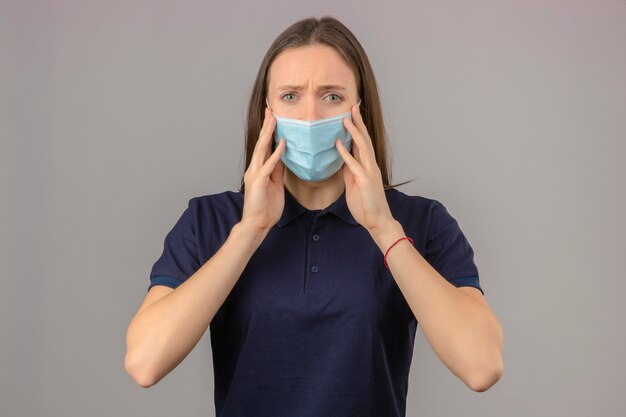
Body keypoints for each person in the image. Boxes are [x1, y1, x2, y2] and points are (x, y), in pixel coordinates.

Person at [125, 16, 504, 417]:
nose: (309, 117)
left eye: (332, 96)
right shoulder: (211, 221)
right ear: (266, 110)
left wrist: (383, 228)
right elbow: (145, 362)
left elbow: (481, 365)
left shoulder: (420, 222)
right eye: (290, 96)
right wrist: (249, 231)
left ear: (360, 108)